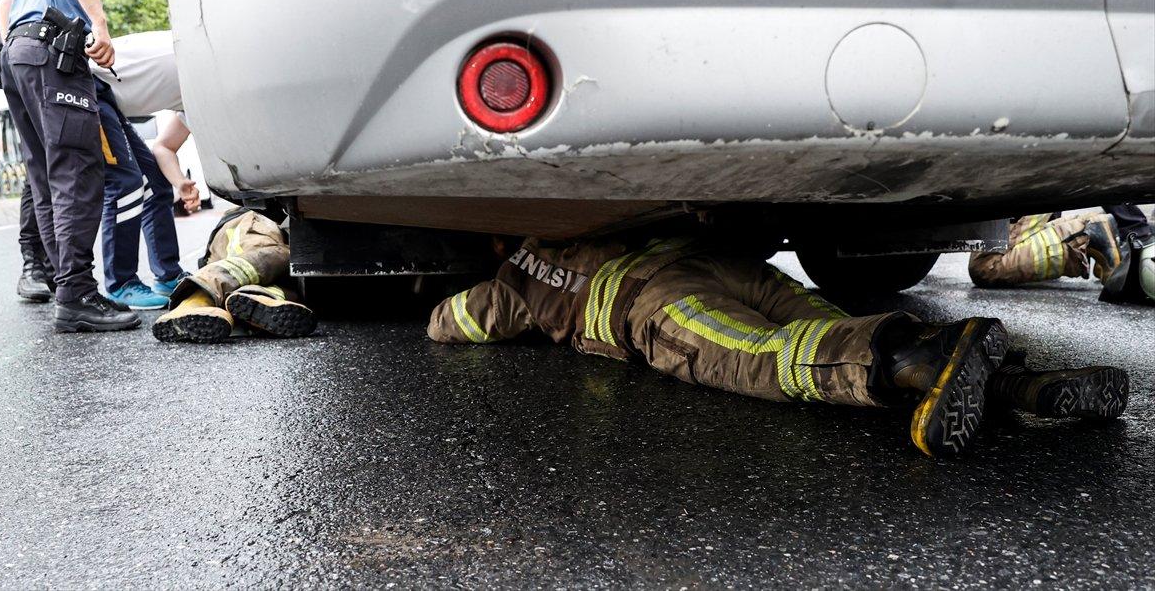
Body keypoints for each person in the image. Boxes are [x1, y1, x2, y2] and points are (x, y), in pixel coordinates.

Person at [428, 235, 1128, 458]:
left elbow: (453, 319)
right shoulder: (591, 216)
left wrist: (453, 295)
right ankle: (1022, 386)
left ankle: (921, 358)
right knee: (822, 319)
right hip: (710, 260)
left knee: (769, 356)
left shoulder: (514, 278)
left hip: (651, 305)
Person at [0, 0, 155, 332]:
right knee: (78, 172)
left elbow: (7, 2)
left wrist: (21, 49)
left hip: (18, 55)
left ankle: (66, 285)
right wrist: (98, 25)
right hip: (49, 55)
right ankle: (76, 294)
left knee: (47, 177)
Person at [88, 32, 187, 310]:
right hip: (88, 86)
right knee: (126, 183)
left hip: (112, 103)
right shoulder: (191, 55)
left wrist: (180, 183)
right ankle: (121, 284)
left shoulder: (202, 96)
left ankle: (169, 275)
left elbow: (164, 147)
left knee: (156, 182)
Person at [0, 0, 54, 303]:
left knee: (46, 166)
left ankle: (50, 264)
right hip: (24, 63)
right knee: (38, 169)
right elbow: (6, 8)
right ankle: (33, 265)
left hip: (31, 64)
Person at [152, 209, 316, 343]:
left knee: (274, 275)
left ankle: (256, 297)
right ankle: (197, 296)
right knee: (279, 256)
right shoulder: (256, 218)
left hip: (222, 247)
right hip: (249, 221)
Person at [968, 207, 1153, 304]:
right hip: (1026, 172)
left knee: (986, 267)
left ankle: (1085, 233)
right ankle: (1088, 228)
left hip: (1022, 177)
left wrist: (1135, 227)